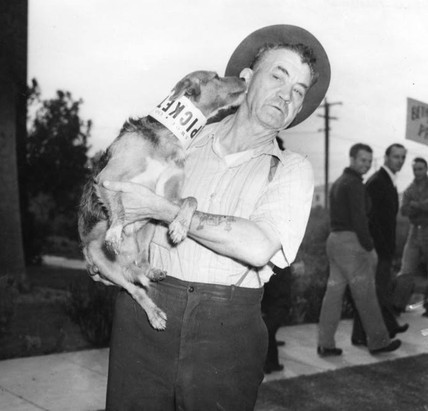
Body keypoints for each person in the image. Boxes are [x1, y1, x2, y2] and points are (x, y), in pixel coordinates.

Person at [101, 25, 331, 410]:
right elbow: (119, 188)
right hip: (143, 318)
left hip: (227, 330)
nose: (286, 94)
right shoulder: (181, 142)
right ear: (245, 79)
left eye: (298, 91)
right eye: (278, 75)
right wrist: (106, 249)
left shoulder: (292, 169)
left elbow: (259, 246)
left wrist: (166, 210)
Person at [317, 143, 401, 356]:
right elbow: (359, 220)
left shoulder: (338, 183)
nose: (365, 165)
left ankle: (325, 344)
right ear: (352, 159)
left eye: (368, 161)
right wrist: (370, 247)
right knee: (367, 296)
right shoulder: (354, 184)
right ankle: (379, 342)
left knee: (333, 296)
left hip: (334, 241)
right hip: (352, 243)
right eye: (362, 160)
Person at [351, 144, 409, 344]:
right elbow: (371, 219)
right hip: (377, 249)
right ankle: (388, 325)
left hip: (383, 247)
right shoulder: (378, 182)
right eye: (395, 157)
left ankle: (359, 336)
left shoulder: (388, 181)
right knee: (376, 291)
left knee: (373, 290)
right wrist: (378, 248)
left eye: (402, 157)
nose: (399, 161)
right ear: (385, 157)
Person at [261, 137, 292, 374]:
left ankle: (268, 354)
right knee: (275, 306)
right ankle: (269, 358)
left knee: (272, 306)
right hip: (270, 254)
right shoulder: (280, 180)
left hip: (272, 255)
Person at [392, 157, 428, 317]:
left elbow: (413, 206)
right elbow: (404, 210)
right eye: (415, 169)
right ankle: (398, 305)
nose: (418, 172)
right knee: (406, 267)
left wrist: (417, 205)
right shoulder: (409, 189)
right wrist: (420, 206)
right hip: (414, 230)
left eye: (421, 168)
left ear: (426, 169)